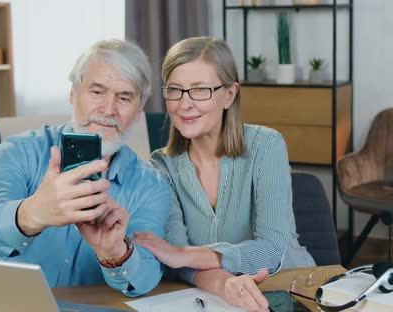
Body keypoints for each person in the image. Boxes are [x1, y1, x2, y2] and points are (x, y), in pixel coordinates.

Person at [0, 39, 171, 297]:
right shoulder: (17, 151)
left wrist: (117, 254)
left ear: (140, 109)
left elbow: (146, 277)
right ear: (73, 93)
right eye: (97, 92)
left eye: (124, 97)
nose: (108, 110)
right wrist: (32, 214)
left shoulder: (151, 185)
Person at [133, 37, 316, 311]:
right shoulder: (161, 166)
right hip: (214, 300)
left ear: (229, 95)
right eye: (175, 90)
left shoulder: (266, 145)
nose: (185, 104)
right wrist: (223, 283)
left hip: (291, 293)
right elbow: (175, 262)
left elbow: (270, 250)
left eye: (200, 90)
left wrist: (185, 254)